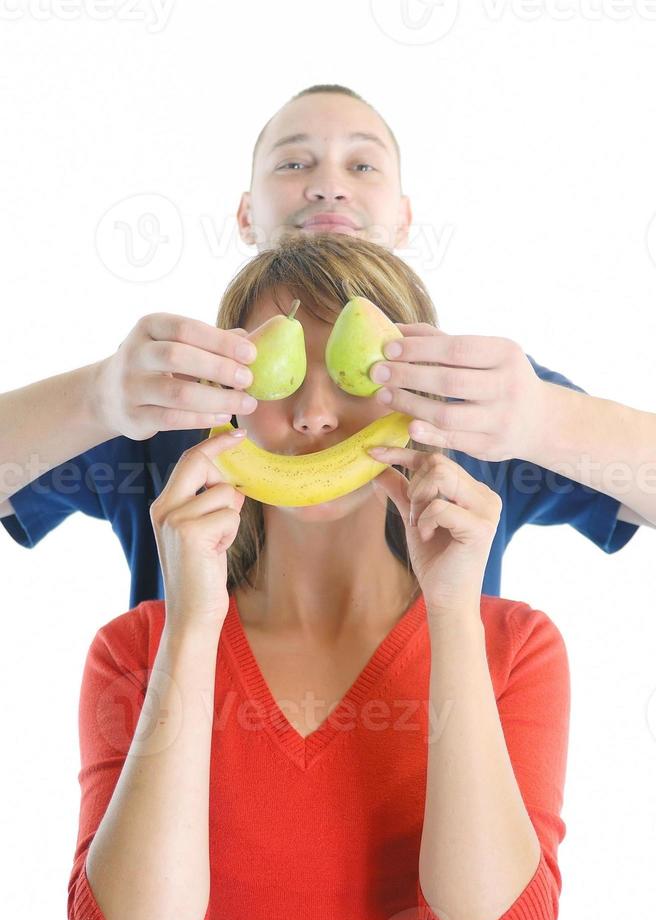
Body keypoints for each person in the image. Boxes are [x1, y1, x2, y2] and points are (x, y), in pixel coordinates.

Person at [67, 234, 570, 920]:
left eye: (353, 371)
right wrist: (193, 626)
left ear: (422, 395)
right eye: (278, 375)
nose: (313, 414)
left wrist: (453, 615)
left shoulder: (516, 646)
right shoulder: (135, 649)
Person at [1, 83, 651, 609]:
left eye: (362, 164)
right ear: (245, 215)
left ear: (403, 216)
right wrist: (95, 398)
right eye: (293, 163)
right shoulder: (167, 402)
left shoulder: (480, 403)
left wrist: (550, 418)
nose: (329, 185)